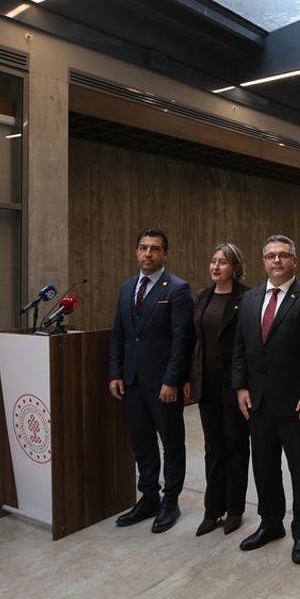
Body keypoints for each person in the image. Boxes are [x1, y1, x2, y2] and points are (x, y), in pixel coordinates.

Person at [231, 235, 300, 565]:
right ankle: (271, 523)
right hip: (257, 403)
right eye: (271, 255)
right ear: (263, 261)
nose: (277, 260)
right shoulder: (249, 300)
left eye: (284, 255)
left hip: (297, 404)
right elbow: (240, 349)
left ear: (294, 261)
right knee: (264, 467)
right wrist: (240, 387)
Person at [108, 228, 195, 533]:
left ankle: (170, 501)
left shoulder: (178, 289)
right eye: (143, 248)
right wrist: (115, 373)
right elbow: (119, 334)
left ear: (165, 255)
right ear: (136, 252)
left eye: (155, 248)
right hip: (132, 381)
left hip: (163, 385)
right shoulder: (126, 288)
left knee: (171, 443)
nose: (148, 253)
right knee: (141, 441)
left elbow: (183, 340)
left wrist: (173, 380)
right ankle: (149, 497)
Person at [187, 243, 250, 537]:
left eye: (222, 262)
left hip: (234, 384)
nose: (215, 267)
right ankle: (212, 510)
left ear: (235, 268)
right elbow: (194, 341)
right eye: (213, 261)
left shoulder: (247, 298)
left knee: (235, 445)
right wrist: (188, 377)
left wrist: (244, 383)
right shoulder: (202, 296)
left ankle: (235, 509)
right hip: (207, 384)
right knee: (213, 447)